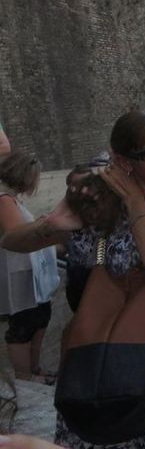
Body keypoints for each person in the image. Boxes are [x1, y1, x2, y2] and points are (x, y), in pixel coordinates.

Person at [2, 111, 145, 448]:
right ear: (122, 160)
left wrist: (133, 202)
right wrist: (53, 224)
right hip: (103, 345)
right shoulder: (102, 200)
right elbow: (12, 241)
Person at [0, 152, 57, 383]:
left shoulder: (10, 198)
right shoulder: (4, 199)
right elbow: (17, 234)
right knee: (24, 322)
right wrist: (42, 225)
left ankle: (33, 370)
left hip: (26, 270)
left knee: (40, 315)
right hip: (17, 271)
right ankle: (24, 377)